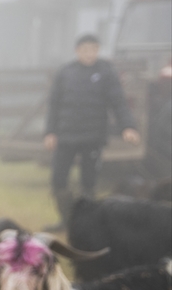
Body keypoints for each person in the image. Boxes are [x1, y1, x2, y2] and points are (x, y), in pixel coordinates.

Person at [44, 33, 141, 229]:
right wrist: (50, 132)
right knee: (58, 179)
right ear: (77, 51)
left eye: (94, 50)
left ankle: (86, 222)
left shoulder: (106, 72)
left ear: (98, 50)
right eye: (85, 50)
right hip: (66, 136)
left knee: (88, 182)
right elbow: (53, 105)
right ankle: (66, 219)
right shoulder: (65, 72)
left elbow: (118, 102)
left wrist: (128, 126)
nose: (90, 54)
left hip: (93, 137)